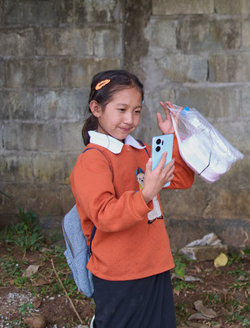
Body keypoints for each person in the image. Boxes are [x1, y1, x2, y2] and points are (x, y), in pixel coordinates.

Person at [69, 70, 196, 328]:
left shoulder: (138, 150)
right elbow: (104, 215)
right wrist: (146, 194)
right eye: (121, 109)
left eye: (137, 111)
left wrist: (170, 140)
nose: (130, 119)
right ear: (96, 108)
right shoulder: (92, 160)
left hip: (154, 264)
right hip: (118, 273)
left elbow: (182, 178)